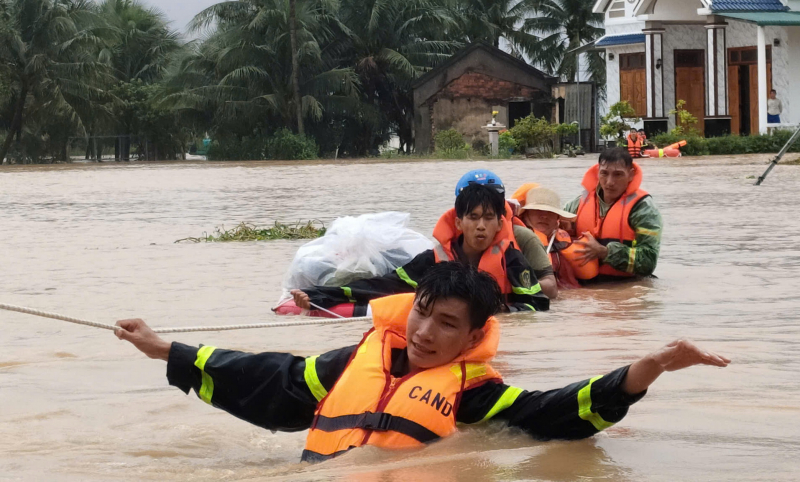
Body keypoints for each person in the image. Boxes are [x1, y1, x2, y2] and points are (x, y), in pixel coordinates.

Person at [115, 262, 730, 463]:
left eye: (446, 325)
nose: (426, 332)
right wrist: (164, 347)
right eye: (423, 313)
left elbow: (558, 411)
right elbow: (267, 376)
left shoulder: (473, 393)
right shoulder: (352, 362)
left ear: (473, 338)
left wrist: (651, 364)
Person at [291, 178, 550, 313]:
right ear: (459, 223)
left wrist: (505, 310)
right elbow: (381, 286)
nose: (480, 225)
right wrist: (317, 296)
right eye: (473, 217)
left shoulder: (512, 259)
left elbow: (538, 303)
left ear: (498, 224)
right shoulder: (433, 260)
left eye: (488, 218)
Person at [564, 147, 662, 280]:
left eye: (618, 174)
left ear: (631, 175)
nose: (610, 182)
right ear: (598, 173)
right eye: (604, 173)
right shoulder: (576, 205)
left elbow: (648, 262)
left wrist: (605, 252)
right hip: (585, 287)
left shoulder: (644, 209)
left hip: (627, 285)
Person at [516, 186, 587, 290]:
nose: (544, 216)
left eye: (550, 212)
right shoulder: (516, 240)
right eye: (538, 210)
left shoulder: (566, 242)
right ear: (525, 215)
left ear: (557, 219)